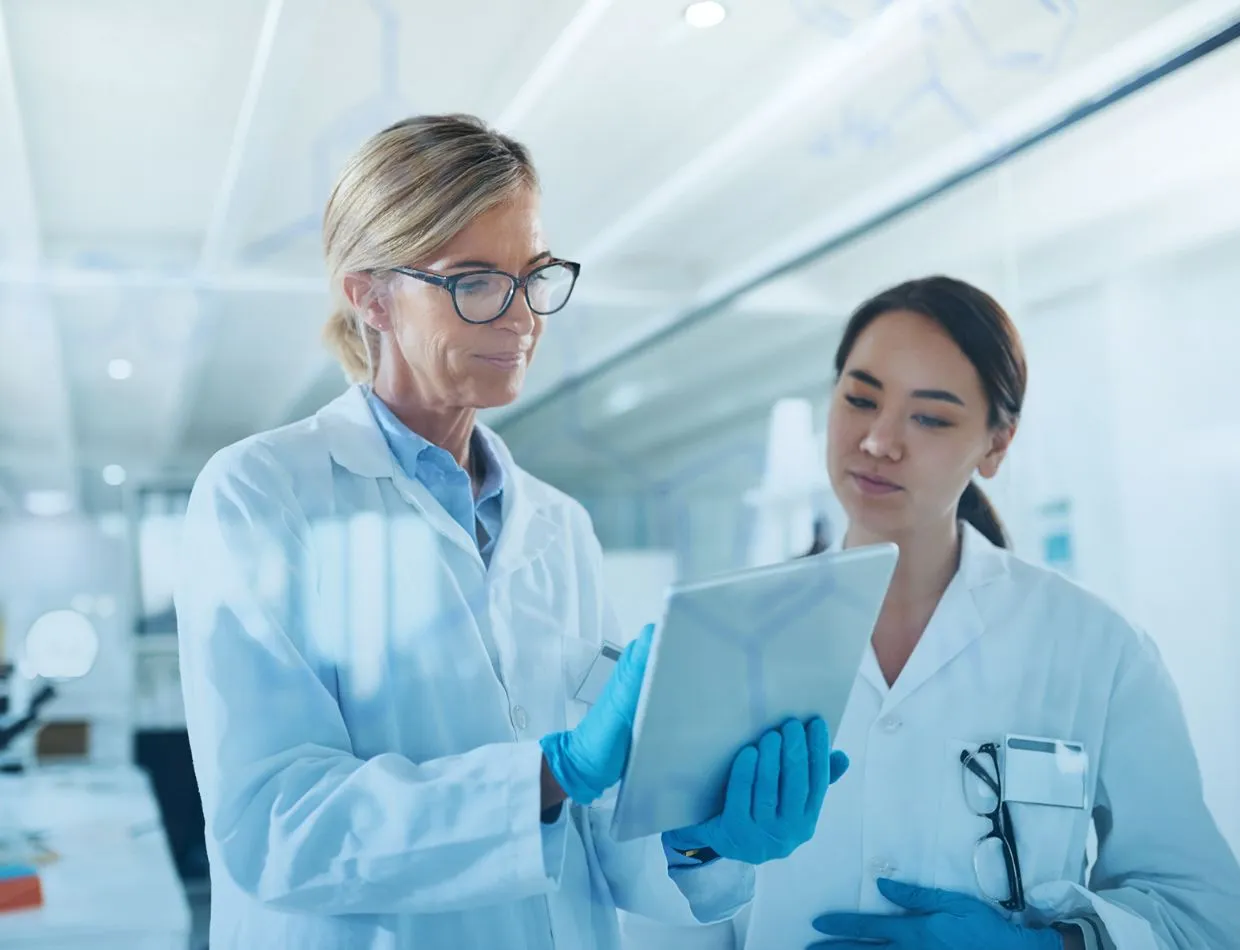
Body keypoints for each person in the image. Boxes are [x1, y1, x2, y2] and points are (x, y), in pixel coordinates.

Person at [174, 113, 845, 950]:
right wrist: (549, 771)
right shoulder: (263, 494)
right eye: (476, 281)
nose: (522, 315)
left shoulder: (559, 527)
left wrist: (701, 835)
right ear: (370, 294)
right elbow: (276, 825)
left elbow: (598, 828)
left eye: (535, 276)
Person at [740, 276, 1240, 949]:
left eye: (932, 417)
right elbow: (659, 908)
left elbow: (1204, 915)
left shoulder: (1095, 646)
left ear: (997, 444)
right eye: (860, 399)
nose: (880, 441)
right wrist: (695, 863)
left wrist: (1049, 948)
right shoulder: (739, 634)